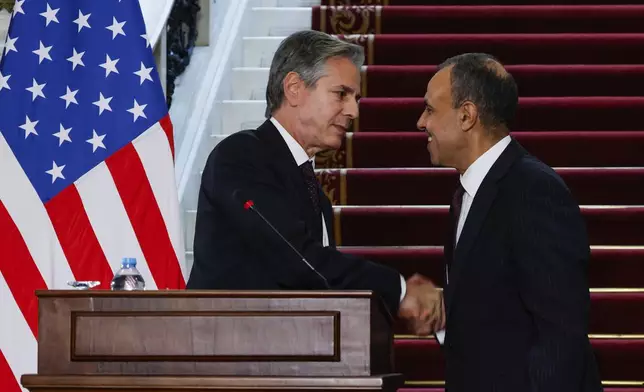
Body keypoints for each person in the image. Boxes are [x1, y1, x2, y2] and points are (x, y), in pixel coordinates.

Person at [186, 30, 443, 329]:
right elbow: (294, 255)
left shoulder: (311, 188)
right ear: (294, 88)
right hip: (229, 356)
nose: (354, 111)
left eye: (356, 98)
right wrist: (397, 290)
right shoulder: (241, 156)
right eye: (341, 94)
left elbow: (316, 284)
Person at [414, 53, 603, 391]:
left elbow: (560, 337)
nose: (421, 123)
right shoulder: (467, 194)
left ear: (467, 115)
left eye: (430, 109)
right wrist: (443, 315)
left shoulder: (534, 191)